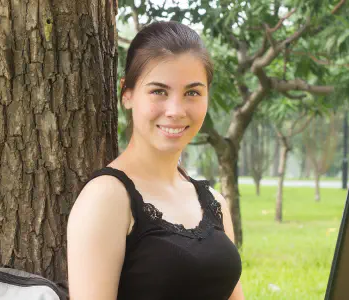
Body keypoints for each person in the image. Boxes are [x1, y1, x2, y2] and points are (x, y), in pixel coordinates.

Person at [67, 21, 244, 300]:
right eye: (159, 91)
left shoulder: (214, 202)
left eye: (192, 93)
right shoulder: (106, 198)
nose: (175, 110)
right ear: (127, 93)